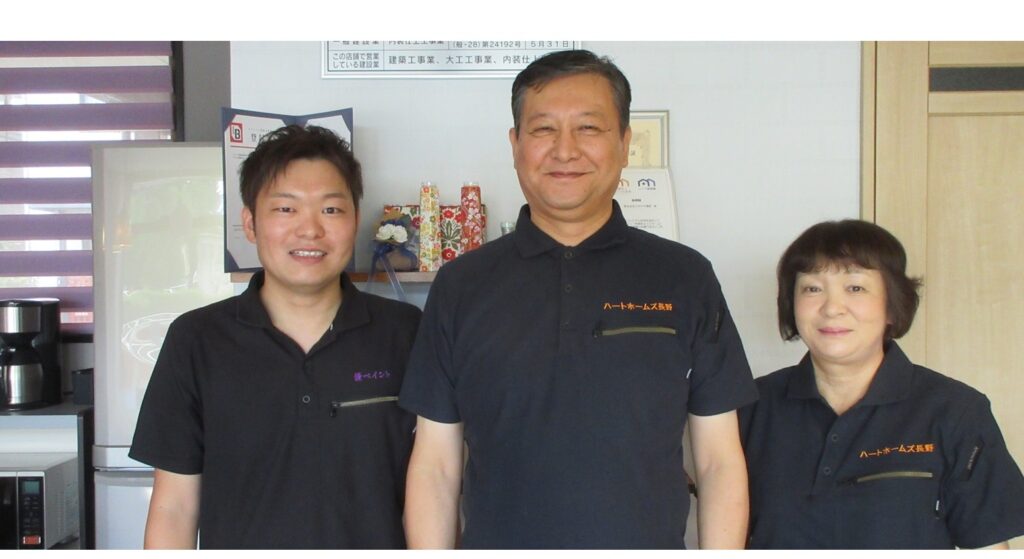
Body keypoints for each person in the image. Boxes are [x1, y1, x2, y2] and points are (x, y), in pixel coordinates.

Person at [399, 49, 757, 549]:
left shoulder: (684, 277)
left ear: (625, 143)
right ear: (515, 144)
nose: (565, 150)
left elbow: (718, 461)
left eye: (588, 128)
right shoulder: (461, 285)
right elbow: (436, 467)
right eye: (544, 129)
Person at [129, 125, 421, 549]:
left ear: (355, 220)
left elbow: (434, 486)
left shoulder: (406, 333)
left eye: (331, 210)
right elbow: (174, 507)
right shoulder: (196, 340)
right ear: (250, 223)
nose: (310, 230)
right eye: (286, 209)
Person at [739, 219, 1024, 549]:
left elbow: (988, 546)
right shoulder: (750, 407)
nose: (832, 308)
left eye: (855, 288)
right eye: (812, 288)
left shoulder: (955, 411)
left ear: (892, 304)